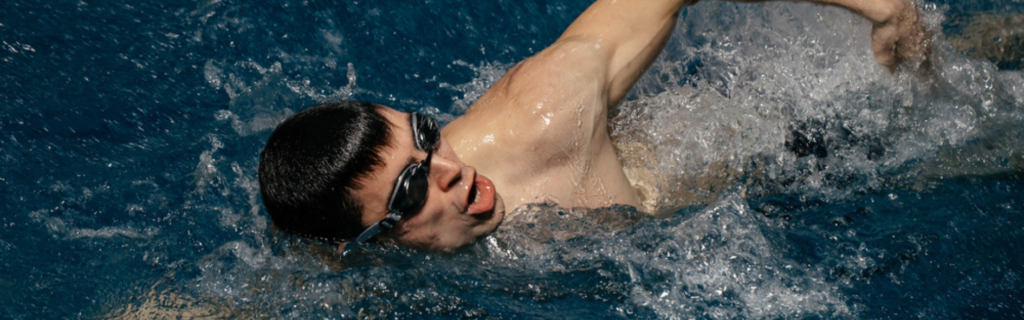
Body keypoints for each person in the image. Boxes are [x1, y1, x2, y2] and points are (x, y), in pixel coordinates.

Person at [258, 0, 927, 252]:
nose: (451, 168)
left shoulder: (545, 114)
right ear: (365, 242)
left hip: (806, 144)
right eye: (410, 191)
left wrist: (883, 8)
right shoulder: (352, 263)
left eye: (428, 135)